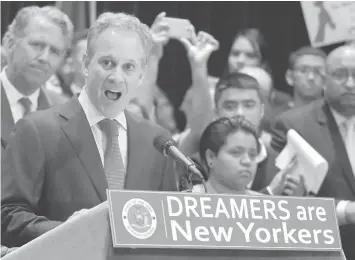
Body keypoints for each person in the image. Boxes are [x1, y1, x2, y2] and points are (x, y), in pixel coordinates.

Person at [1, 12, 180, 248]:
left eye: (128, 67)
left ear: (140, 75)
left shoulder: (157, 141)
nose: (116, 76)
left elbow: (166, 228)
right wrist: (66, 232)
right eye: (107, 63)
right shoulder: (37, 129)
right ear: (86, 64)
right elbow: (8, 217)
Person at [270, 44, 355, 260]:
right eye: (339, 75)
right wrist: (347, 211)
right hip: (326, 249)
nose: (350, 83)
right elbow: (288, 200)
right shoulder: (293, 126)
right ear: (323, 79)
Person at [1, 6, 73, 149]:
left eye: (54, 51)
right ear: (9, 43)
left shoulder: (67, 113)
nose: (44, 58)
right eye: (37, 45)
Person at [195, 116, 296, 195]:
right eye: (236, 153)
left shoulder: (265, 206)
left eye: (252, 155)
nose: (247, 161)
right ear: (211, 157)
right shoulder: (185, 202)